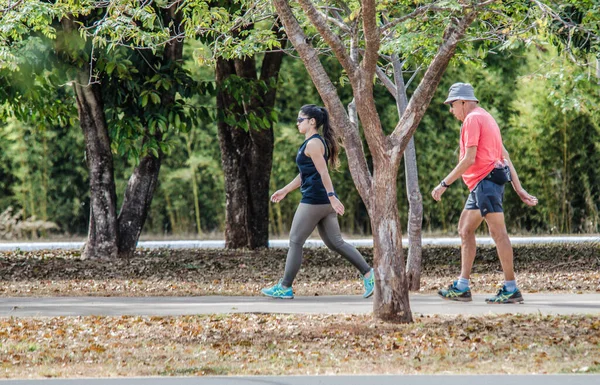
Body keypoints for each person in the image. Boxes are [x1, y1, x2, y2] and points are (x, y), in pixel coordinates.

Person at [431, 83, 538, 304]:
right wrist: (519, 189)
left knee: (499, 234)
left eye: (452, 105)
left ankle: (511, 288)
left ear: (462, 102)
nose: (451, 111)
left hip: (486, 182)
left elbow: (468, 159)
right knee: (465, 229)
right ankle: (462, 286)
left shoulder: (472, 119)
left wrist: (444, 184)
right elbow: (504, 155)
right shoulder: (487, 117)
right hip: (482, 184)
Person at [262, 104, 375, 299]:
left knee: (295, 241)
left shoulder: (314, 143)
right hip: (322, 201)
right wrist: (286, 190)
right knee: (336, 243)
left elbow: (323, 172)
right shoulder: (312, 143)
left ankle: (285, 287)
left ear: (312, 122)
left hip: (314, 200)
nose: (297, 123)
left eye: (300, 120)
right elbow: (306, 174)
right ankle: (370, 274)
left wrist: (332, 197)